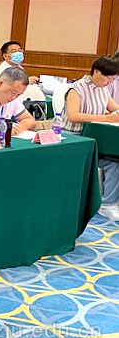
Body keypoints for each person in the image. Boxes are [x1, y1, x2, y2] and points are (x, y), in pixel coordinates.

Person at [61, 56, 119, 219]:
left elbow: (114, 109)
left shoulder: (103, 89)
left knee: (114, 162)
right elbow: (73, 116)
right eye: (108, 78)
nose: (110, 82)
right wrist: (106, 118)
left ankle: (108, 203)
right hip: (74, 138)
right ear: (97, 72)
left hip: (95, 138)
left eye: (113, 79)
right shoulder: (77, 88)